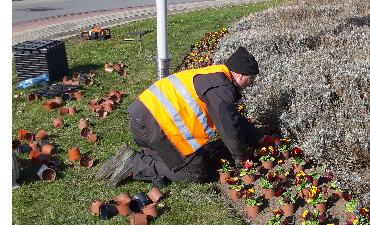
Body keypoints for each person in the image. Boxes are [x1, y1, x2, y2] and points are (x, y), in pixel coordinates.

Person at [94, 46, 276, 187]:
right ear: (240, 75)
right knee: (196, 171)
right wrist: (241, 157)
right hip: (153, 129)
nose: (250, 84)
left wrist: (261, 138)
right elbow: (229, 127)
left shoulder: (216, 76)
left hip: (145, 121)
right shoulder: (221, 89)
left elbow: (233, 119)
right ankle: (135, 164)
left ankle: (139, 156)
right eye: (251, 79)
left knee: (197, 159)